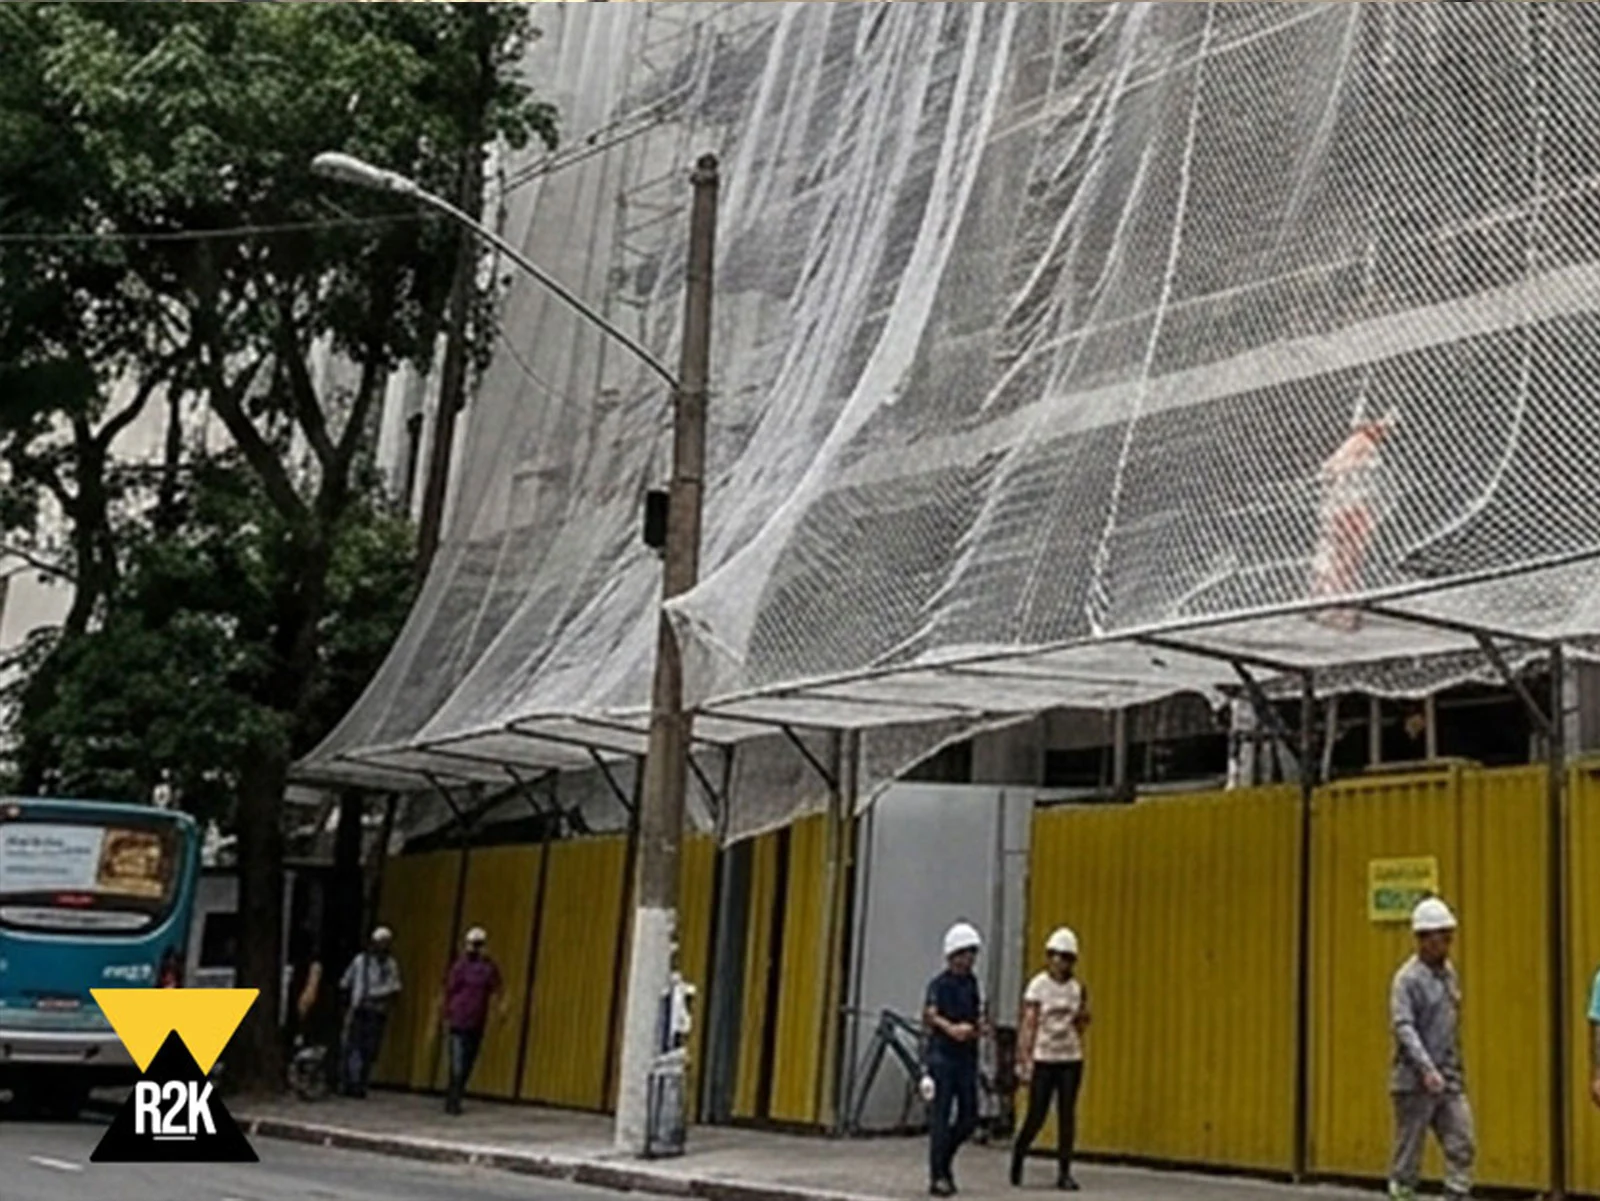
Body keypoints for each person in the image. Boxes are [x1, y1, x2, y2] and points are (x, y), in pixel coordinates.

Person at [1389, 897, 1474, 1201]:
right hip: (1414, 1080)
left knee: (1461, 1140)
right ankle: (1403, 1191)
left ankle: (1457, 1193)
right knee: (1409, 1151)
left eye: (1450, 935)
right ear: (1423, 938)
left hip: (1449, 1076)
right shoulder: (1407, 980)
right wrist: (1425, 1068)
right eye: (1442, 936)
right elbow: (1404, 1027)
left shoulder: (1449, 973)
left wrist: (1451, 1070)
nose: (1448, 942)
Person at [1012, 927, 1090, 1191]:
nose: (1059, 962)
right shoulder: (1038, 986)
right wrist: (1024, 1058)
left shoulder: (1077, 989)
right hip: (1044, 1056)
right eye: (1055, 956)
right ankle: (1020, 1152)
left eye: (1065, 957)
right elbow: (1029, 1024)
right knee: (1038, 1113)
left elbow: (1081, 1022)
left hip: (1070, 1057)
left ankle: (1064, 1171)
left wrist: (1082, 1020)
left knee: (1067, 1115)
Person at [924, 921, 987, 1198]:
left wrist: (979, 1027)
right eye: (965, 953)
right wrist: (952, 1029)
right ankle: (938, 1175)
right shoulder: (940, 985)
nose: (969, 959)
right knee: (940, 1115)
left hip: (966, 1057)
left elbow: (977, 1013)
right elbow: (930, 1014)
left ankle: (945, 1156)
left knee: (969, 1116)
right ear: (953, 955)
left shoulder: (972, 984)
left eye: (972, 953)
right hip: (943, 1056)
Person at [441, 926, 504, 1116]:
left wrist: (501, 1010)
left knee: (468, 1062)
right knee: (457, 1063)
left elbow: (497, 988)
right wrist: (446, 1013)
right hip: (458, 1021)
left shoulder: (489, 967)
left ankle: (457, 1094)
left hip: (477, 1021)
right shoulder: (460, 966)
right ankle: (453, 1100)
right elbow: (450, 990)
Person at [340, 926, 402, 1098]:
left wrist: (383, 996)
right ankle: (351, 1082)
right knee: (353, 1046)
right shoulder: (361, 961)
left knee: (370, 1049)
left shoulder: (390, 965)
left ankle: (361, 1081)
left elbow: (395, 987)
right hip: (359, 1008)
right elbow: (346, 981)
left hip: (377, 1011)